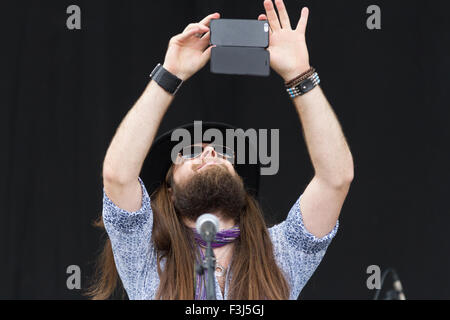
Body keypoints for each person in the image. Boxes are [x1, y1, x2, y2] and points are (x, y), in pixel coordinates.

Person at [88, 0, 354, 300]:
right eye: (189, 153)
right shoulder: (146, 257)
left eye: (223, 152)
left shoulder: (278, 253)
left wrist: (300, 75)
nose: (210, 153)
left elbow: (335, 179)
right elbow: (117, 176)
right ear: (170, 190)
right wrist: (170, 74)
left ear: (241, 185)